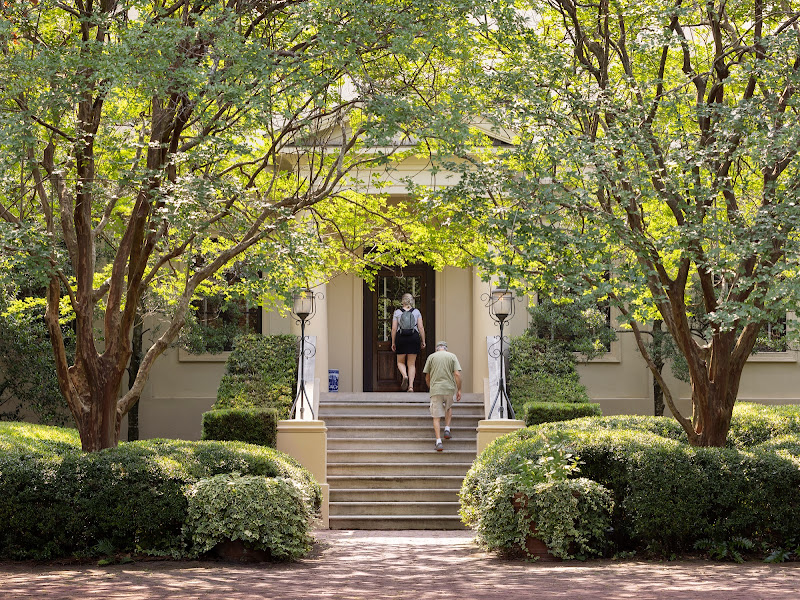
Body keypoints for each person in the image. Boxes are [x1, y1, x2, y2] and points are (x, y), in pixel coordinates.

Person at [422, 340, 462, 452]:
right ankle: (447, 429)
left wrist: (431, 387)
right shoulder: (452, 356)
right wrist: (459, 389)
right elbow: (457, 374)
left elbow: (427, 376)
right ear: (446, 348)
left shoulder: (431, 357)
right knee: (448, 408)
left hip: (436, 389)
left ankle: (438, 441)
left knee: (436, 416)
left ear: (437, 348)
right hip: (449, 389)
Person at [391, 292, 426, 392]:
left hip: (401, 337)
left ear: (402, 301)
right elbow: (420, 327)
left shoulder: (397, 312)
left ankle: (404, 375)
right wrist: (423, 340)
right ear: (412, 301)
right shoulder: (416, 312)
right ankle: (410, 386)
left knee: (400, 361)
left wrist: (393, 342)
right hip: (413, 337)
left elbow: (394, 329)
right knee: (411, 364)